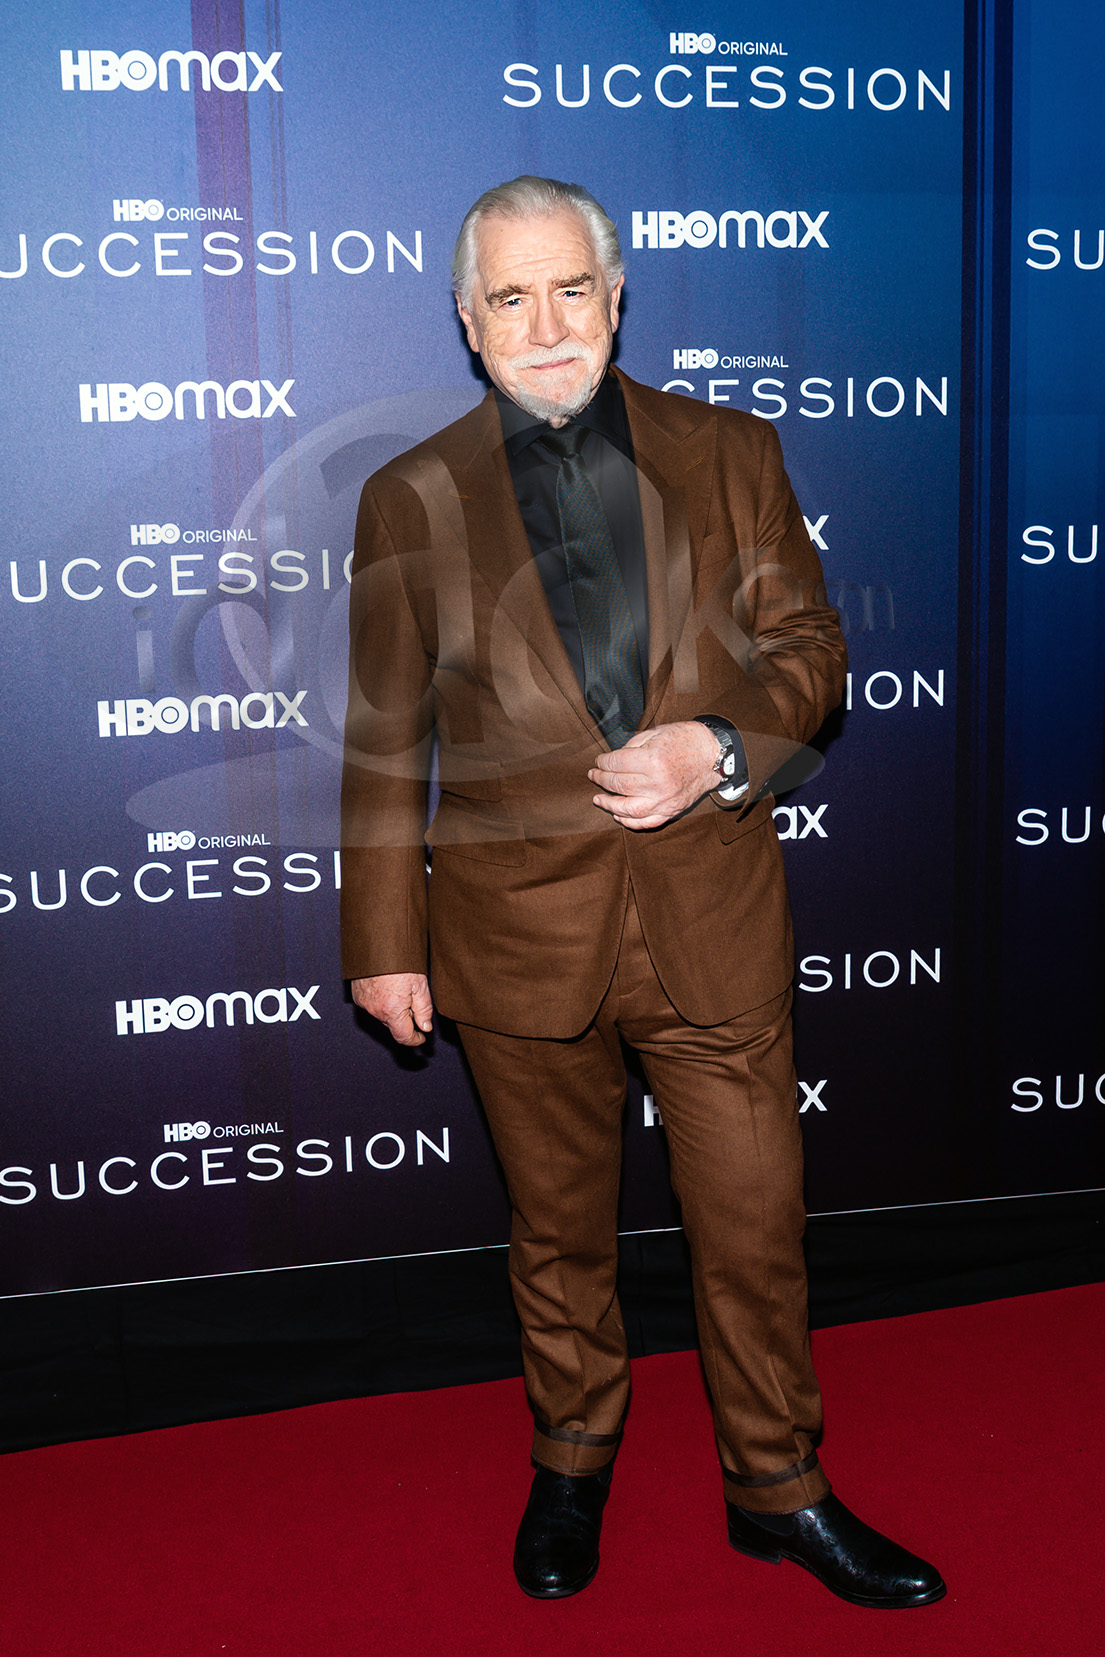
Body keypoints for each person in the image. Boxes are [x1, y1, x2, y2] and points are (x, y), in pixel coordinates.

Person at [340, 176, 944, 1610]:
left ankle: (777, 1488)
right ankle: (569, 1463)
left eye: (572, 290)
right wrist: (381, 942)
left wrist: (718, 746)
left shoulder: (731, 450)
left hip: (707, 915)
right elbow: (384, 739)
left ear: (616, 297)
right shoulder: (405, 495)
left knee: (755, 1224)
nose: (546, 324)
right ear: (467, 318)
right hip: (509, 934)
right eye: (510, 298)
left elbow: (810, 652)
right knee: (557, 1237)